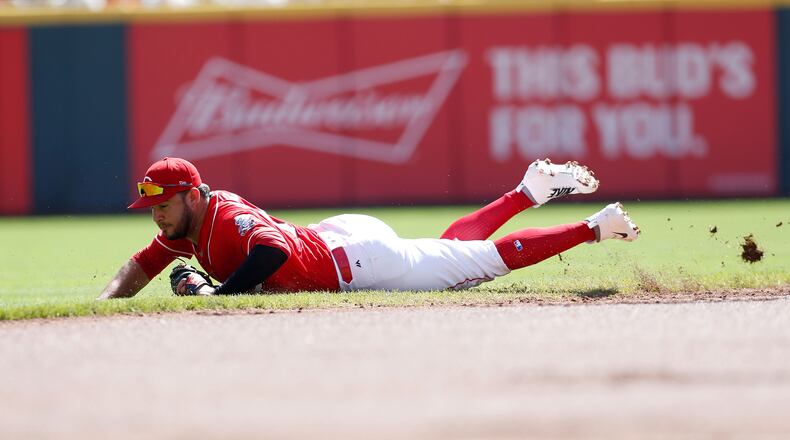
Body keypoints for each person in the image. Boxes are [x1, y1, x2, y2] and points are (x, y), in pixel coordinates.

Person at [97, 157, 640, 299]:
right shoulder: (181, 227)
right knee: (448, 250)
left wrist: (218, 292)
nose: (157, 214)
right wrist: (103, 303)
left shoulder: (224, 215)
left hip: (355, 262)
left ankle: (597, 226)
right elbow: (140, 266)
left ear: (192, 195)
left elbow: (269, 252)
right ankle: (527, 193)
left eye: (164, 204)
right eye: (152, 207)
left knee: (478, 264)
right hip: (337, 238)